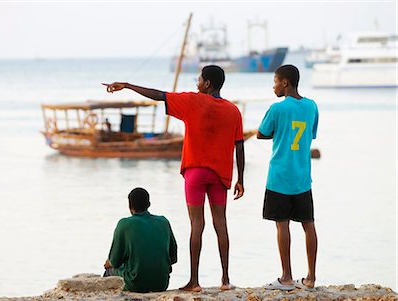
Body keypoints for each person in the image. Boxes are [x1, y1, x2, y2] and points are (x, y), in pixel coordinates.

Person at [103, 65, 245, 292]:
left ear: (207, 83)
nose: (197, 83)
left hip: (195, 173)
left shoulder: (193, 101)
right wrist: (241, 179)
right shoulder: (233, 111)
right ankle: (225, 280)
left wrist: (128, 86)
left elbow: (158, 95)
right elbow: (239, 146)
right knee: (221, 225)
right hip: (221, 174)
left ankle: (195, 282)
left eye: (199, 79)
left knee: (197, 225)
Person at [257, 65, 319, 291]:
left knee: (282, 226)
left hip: (279, 177)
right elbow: (310, 134)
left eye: (275, 81)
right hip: (302, 177)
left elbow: (261, 133)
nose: (273, 86)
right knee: (308, 225)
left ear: (285, 82)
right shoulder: (312, 106)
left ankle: (287, 277)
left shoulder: (277, 109)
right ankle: (311, 278)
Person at [103, 187, 177, 293]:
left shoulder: (124, 224)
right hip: (161, 283)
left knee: (109, 272)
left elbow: (115, 262)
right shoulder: (163, 222)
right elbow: (173, 258)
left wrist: (108, 264)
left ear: (130, 206)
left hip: (135, 284)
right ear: (149, 204)